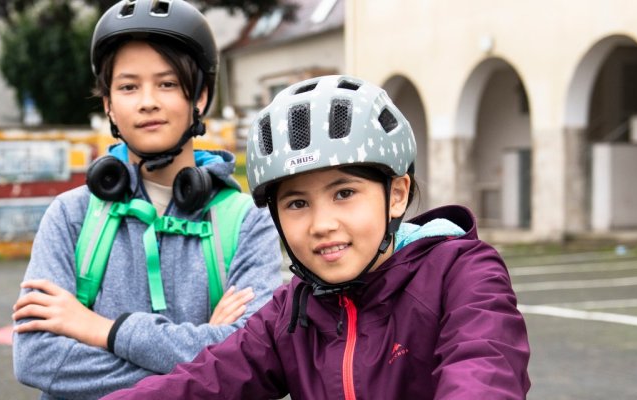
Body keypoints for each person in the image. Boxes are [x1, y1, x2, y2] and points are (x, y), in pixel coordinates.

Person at [104, 75, 531, 399]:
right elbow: (202, 382)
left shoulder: (461, 273)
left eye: (344, 193)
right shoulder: (293, 310)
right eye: (296, 204)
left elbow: (483, 369)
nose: (321, 224)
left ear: (397, 195)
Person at [10, 1, 284, 399]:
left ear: (201, 96)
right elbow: (37, 358)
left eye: (168, 83)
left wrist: (101, 329)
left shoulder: (246, 222)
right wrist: (209, 352)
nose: (147, 101)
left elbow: (255, 362)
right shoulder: (71, 215)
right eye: (128, 86)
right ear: (108, 105)